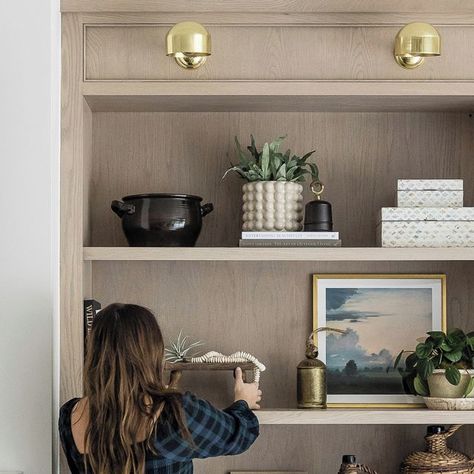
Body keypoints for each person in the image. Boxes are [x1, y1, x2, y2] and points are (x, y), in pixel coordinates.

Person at [59, 303, 261, 473]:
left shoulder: (70, 415)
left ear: (94, 351)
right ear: (152, 353)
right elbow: (240, 436)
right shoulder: (175, 414)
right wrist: (243, 401)